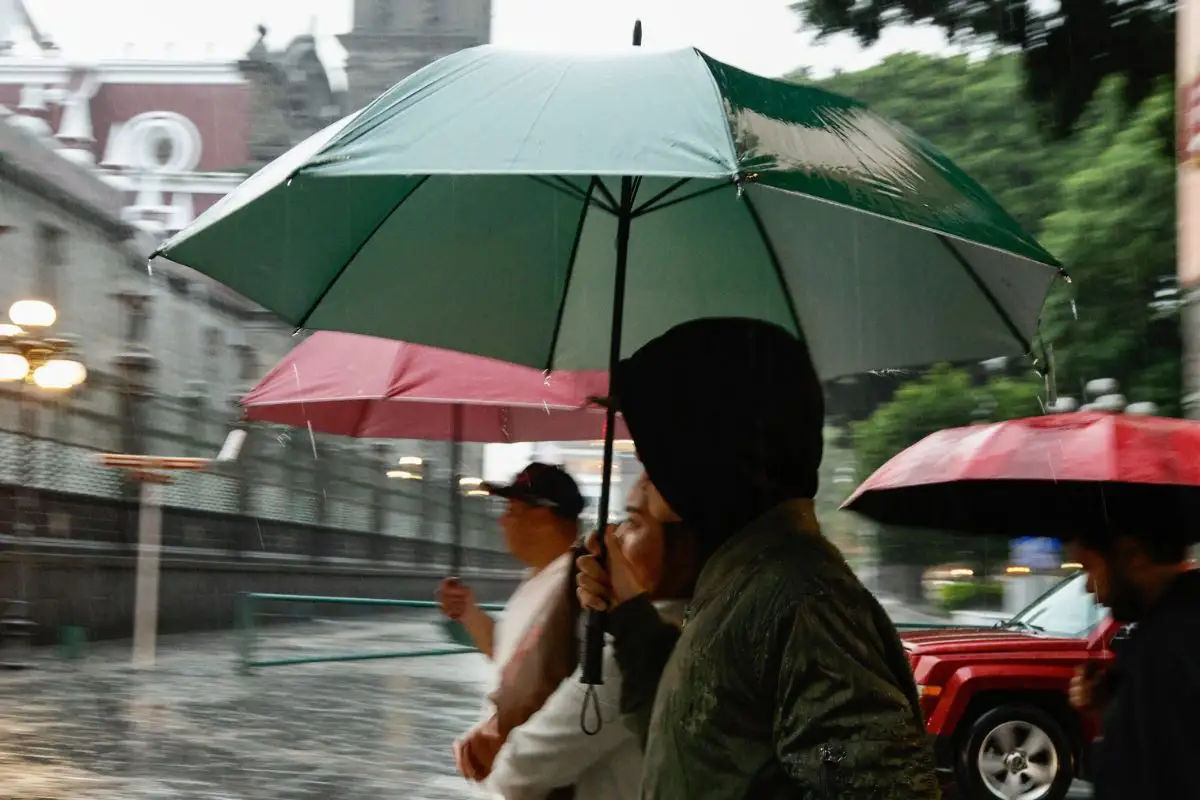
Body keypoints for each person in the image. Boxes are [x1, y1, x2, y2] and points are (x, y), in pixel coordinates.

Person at [575, 317, 940, 798]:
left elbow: (869, 780)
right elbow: (702, 748)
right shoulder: (748, 587)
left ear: (707, 441)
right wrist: (628, 615)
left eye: (658, 438)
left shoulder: (799, 602)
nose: (644, 465)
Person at [438, 462, 633, 800]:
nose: (502, 520)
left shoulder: (577, 592)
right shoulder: (538, 580)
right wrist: (469, 612)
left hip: (534, 778)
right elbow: (507, 654)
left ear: (542, 517)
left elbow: (547, 686)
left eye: (511, 510)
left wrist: (491, 740)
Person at [1063, 522, 1199, 799]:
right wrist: (1113, 704)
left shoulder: (1166, 648)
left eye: (1089, 567)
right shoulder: (1171, 632)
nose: (1088, 587)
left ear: (1132, 556)